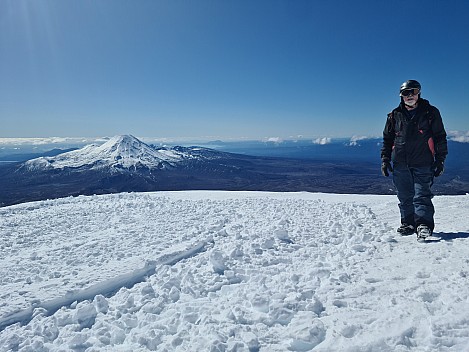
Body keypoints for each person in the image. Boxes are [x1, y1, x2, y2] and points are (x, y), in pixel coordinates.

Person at [381, 80, 448, 240]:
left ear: (419, 93)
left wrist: (440, 160)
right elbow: (387, 139)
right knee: (404, 195)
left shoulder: (430, 113)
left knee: (421, 195)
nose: (410, 95)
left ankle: (423, 225)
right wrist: (385, 159)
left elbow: (440, 137)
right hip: (400, 163)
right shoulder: (394, 115)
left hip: (423, 161)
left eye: (413, 91)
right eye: (406, 93)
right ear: (401, 96)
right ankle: (408, 223)